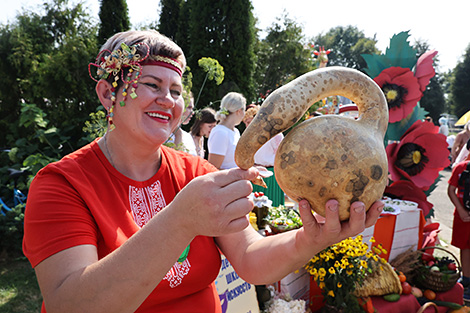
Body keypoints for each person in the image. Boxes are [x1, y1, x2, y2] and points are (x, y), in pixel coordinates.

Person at [22, 30, 383, 313]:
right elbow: (70, 304)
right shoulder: (62, 185)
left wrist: (311, 239)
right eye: (152, 84)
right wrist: (180, 221)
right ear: (107, 94)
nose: (168, 100)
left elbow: (250, 260)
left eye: (177, 91)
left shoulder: (196, 170)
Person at [243, 104, 285, 207]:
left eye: (250, 122)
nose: (248, 125)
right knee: (255, 205)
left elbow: (282, 154)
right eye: (246, 123)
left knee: (272, 204)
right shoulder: (246, 136)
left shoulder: (273, 133)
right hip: (255, 172)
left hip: (271, 173)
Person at [447, 159, 470, 302]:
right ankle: (466, 278)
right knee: (464, 246)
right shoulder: (461, 168)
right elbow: (451, 190)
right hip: (463, 216)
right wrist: (461, 210)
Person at [207, 92, 246, 169]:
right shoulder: (220, 132)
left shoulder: (236, 131)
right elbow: (213, 168)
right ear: (239, 111)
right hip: (227, 181)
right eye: (244, 109)